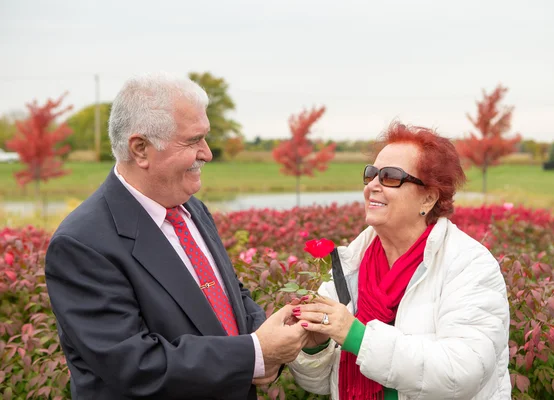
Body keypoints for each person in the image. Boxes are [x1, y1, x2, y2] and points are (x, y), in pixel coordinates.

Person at [45, 73, 307, 400]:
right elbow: (136, 365)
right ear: (140, 149)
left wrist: (268, 333)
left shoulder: (190, 209)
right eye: (193, 140)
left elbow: (228, 294)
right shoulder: (82, 243)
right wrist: (254, 353)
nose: (207, 153)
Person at [288, 123, 511, 399]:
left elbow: (463, 371)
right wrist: (314, 347)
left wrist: (357, 336)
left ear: (428, 198)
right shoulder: (350, 265)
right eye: (370, 174)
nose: (372, 186)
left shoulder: (468, 265)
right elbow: (322, 384)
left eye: (390, 177)